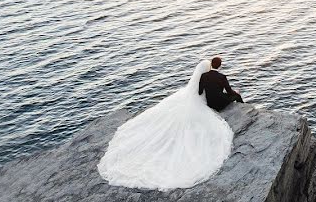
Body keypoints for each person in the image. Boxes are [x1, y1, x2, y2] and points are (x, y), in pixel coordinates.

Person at [97, 59, 234, 190]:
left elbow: (198, 92)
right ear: (218, 66)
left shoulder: (203, 77)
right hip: (204, 103)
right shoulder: (219, 77)